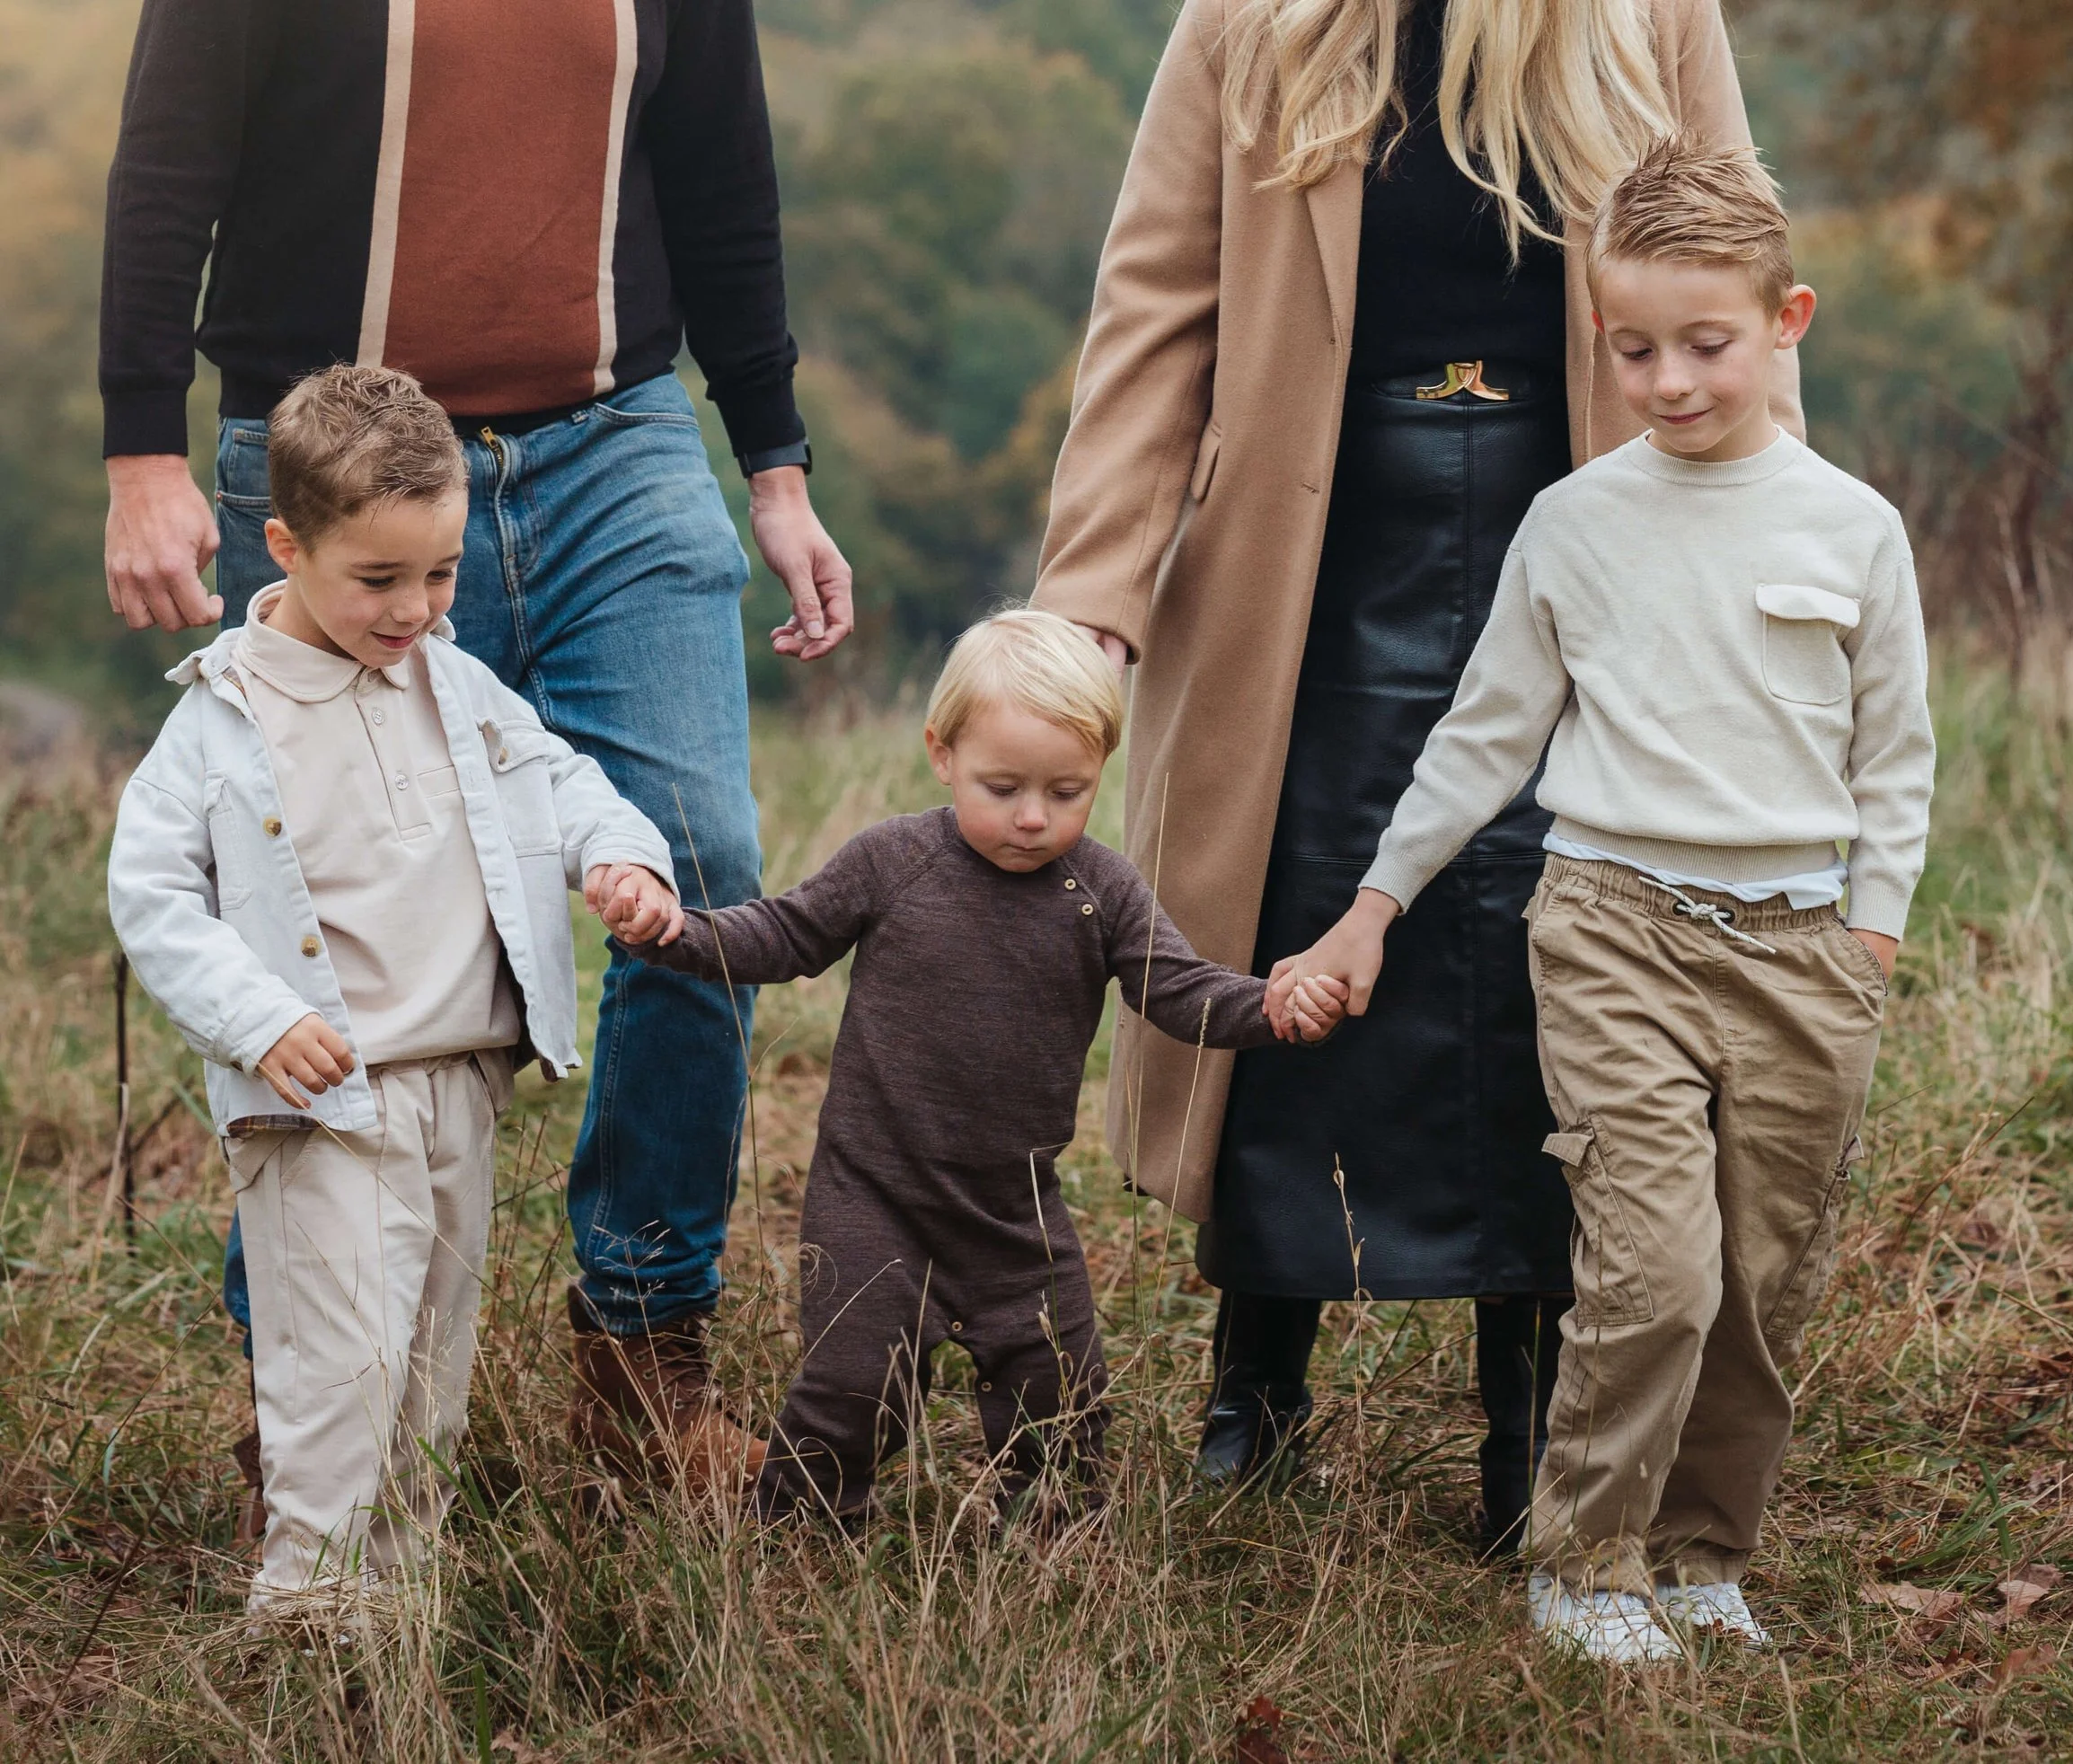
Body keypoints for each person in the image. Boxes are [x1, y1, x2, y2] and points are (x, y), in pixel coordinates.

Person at [1033, 0, 1799, 1540]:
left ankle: (1535, 1412)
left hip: (1591, 542)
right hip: (1307, 567)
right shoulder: (1246, 23)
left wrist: (1772, 570)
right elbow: (1155, 318)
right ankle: (1260, 1372)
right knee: (1293, 924)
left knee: (1562, 964)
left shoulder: (1652, 17)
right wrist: (1084, 618)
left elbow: (1734, 278)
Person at [97, 0, 852, 1497]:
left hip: (613, 447)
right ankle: (308, 1380)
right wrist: (143, 451)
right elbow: (168, 157)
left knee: (698, 861)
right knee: (323, 928)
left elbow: (721, 175)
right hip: (333, 456)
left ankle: (643, 1349)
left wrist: (774, 465)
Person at [1280, 140, 1936, 1662]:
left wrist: (1873, 929)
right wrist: (1376, 901)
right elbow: (1484, 736)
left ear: (1790, 321)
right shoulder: (1575, 523)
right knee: (1655, 1264)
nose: (1669, 380)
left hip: (1800, 948)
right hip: (1613, 922)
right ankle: (1586, 1561)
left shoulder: (1854, 530)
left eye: (1705, 344)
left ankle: (1707, 1550)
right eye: (1631, 347)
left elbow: (1894, 756)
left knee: (1762, 1281)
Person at [107, 367, 687, 1617]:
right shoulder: (222, 720)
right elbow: (152, 898)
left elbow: (560, 777)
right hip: (320, 1096)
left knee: (432, 1365)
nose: (416, 608)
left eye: (440, 575)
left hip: (458, 1086)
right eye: (379, 580)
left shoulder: (456, 685)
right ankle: (311, 1614)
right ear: (287, 543)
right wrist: (260, 1023)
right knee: (340, 1365)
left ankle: (402, 1605)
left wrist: (622, 857)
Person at [618, 611, 1348, 1522]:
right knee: (856, 1378)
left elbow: (1179, 989)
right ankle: (801, 1520)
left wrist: (1274, 1006)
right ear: (942, 753)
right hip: (872, 1189)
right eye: (1001, 786)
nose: (1034, 815)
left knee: (1059, 1387)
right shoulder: (892, 861)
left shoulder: (1103, 889)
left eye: (1068, 790)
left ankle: (1050, 1531)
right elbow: (785, 933)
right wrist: (679, 931)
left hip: (1013, 1204)